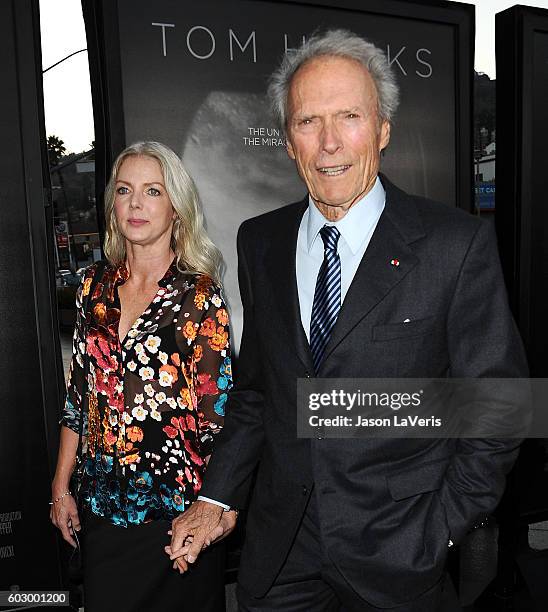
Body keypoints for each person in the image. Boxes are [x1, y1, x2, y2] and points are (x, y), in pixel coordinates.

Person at [168, 30, 528, 611]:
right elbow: (259, 391)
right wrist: (218, 498)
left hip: (400, 555)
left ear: (383, 130)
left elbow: (501, 405)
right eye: (308, 122)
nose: (329, 143)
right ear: (289, 141)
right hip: (283, 553)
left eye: (349, 117)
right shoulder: (261, 242)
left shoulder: (453, 245)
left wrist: (440, 528)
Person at [50, 141, 234, 612]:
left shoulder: (199, 297)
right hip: (103, 512)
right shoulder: (93, 287)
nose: (136, 203)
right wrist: (60, 486)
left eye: (152, 191)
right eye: (125, 190)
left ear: (176, 208)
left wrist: (219, 509)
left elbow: (219, 419)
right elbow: (79, 397)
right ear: (112, 203)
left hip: (178, 518)